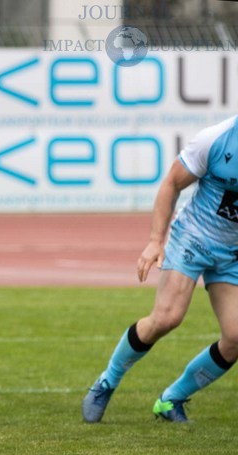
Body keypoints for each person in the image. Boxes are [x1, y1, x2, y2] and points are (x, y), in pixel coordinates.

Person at [82, 115, 238, 424]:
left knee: (235, 338)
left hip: (232, 254)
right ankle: (106, 382)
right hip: (193, 239)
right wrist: (156, 241)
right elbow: (171, 183)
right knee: (167, 318)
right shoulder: (216, 140)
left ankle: (170, 401)